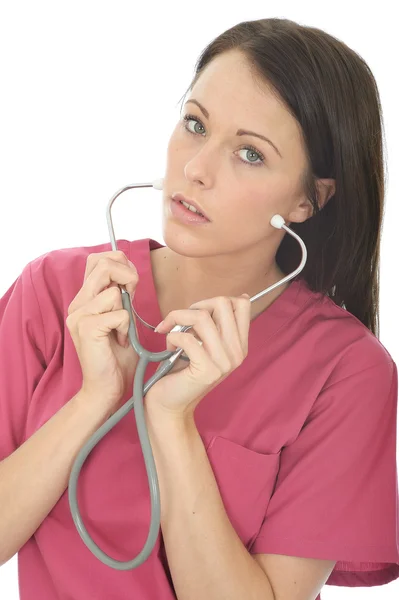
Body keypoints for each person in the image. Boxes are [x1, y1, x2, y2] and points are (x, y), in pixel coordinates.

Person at [0, 17, 398, 600]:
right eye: (195, 124)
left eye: (249, 154)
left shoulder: (347, 372)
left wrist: (171, 422)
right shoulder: (60, 291)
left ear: (309, 200)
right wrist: (94, 398)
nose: (196, 169)